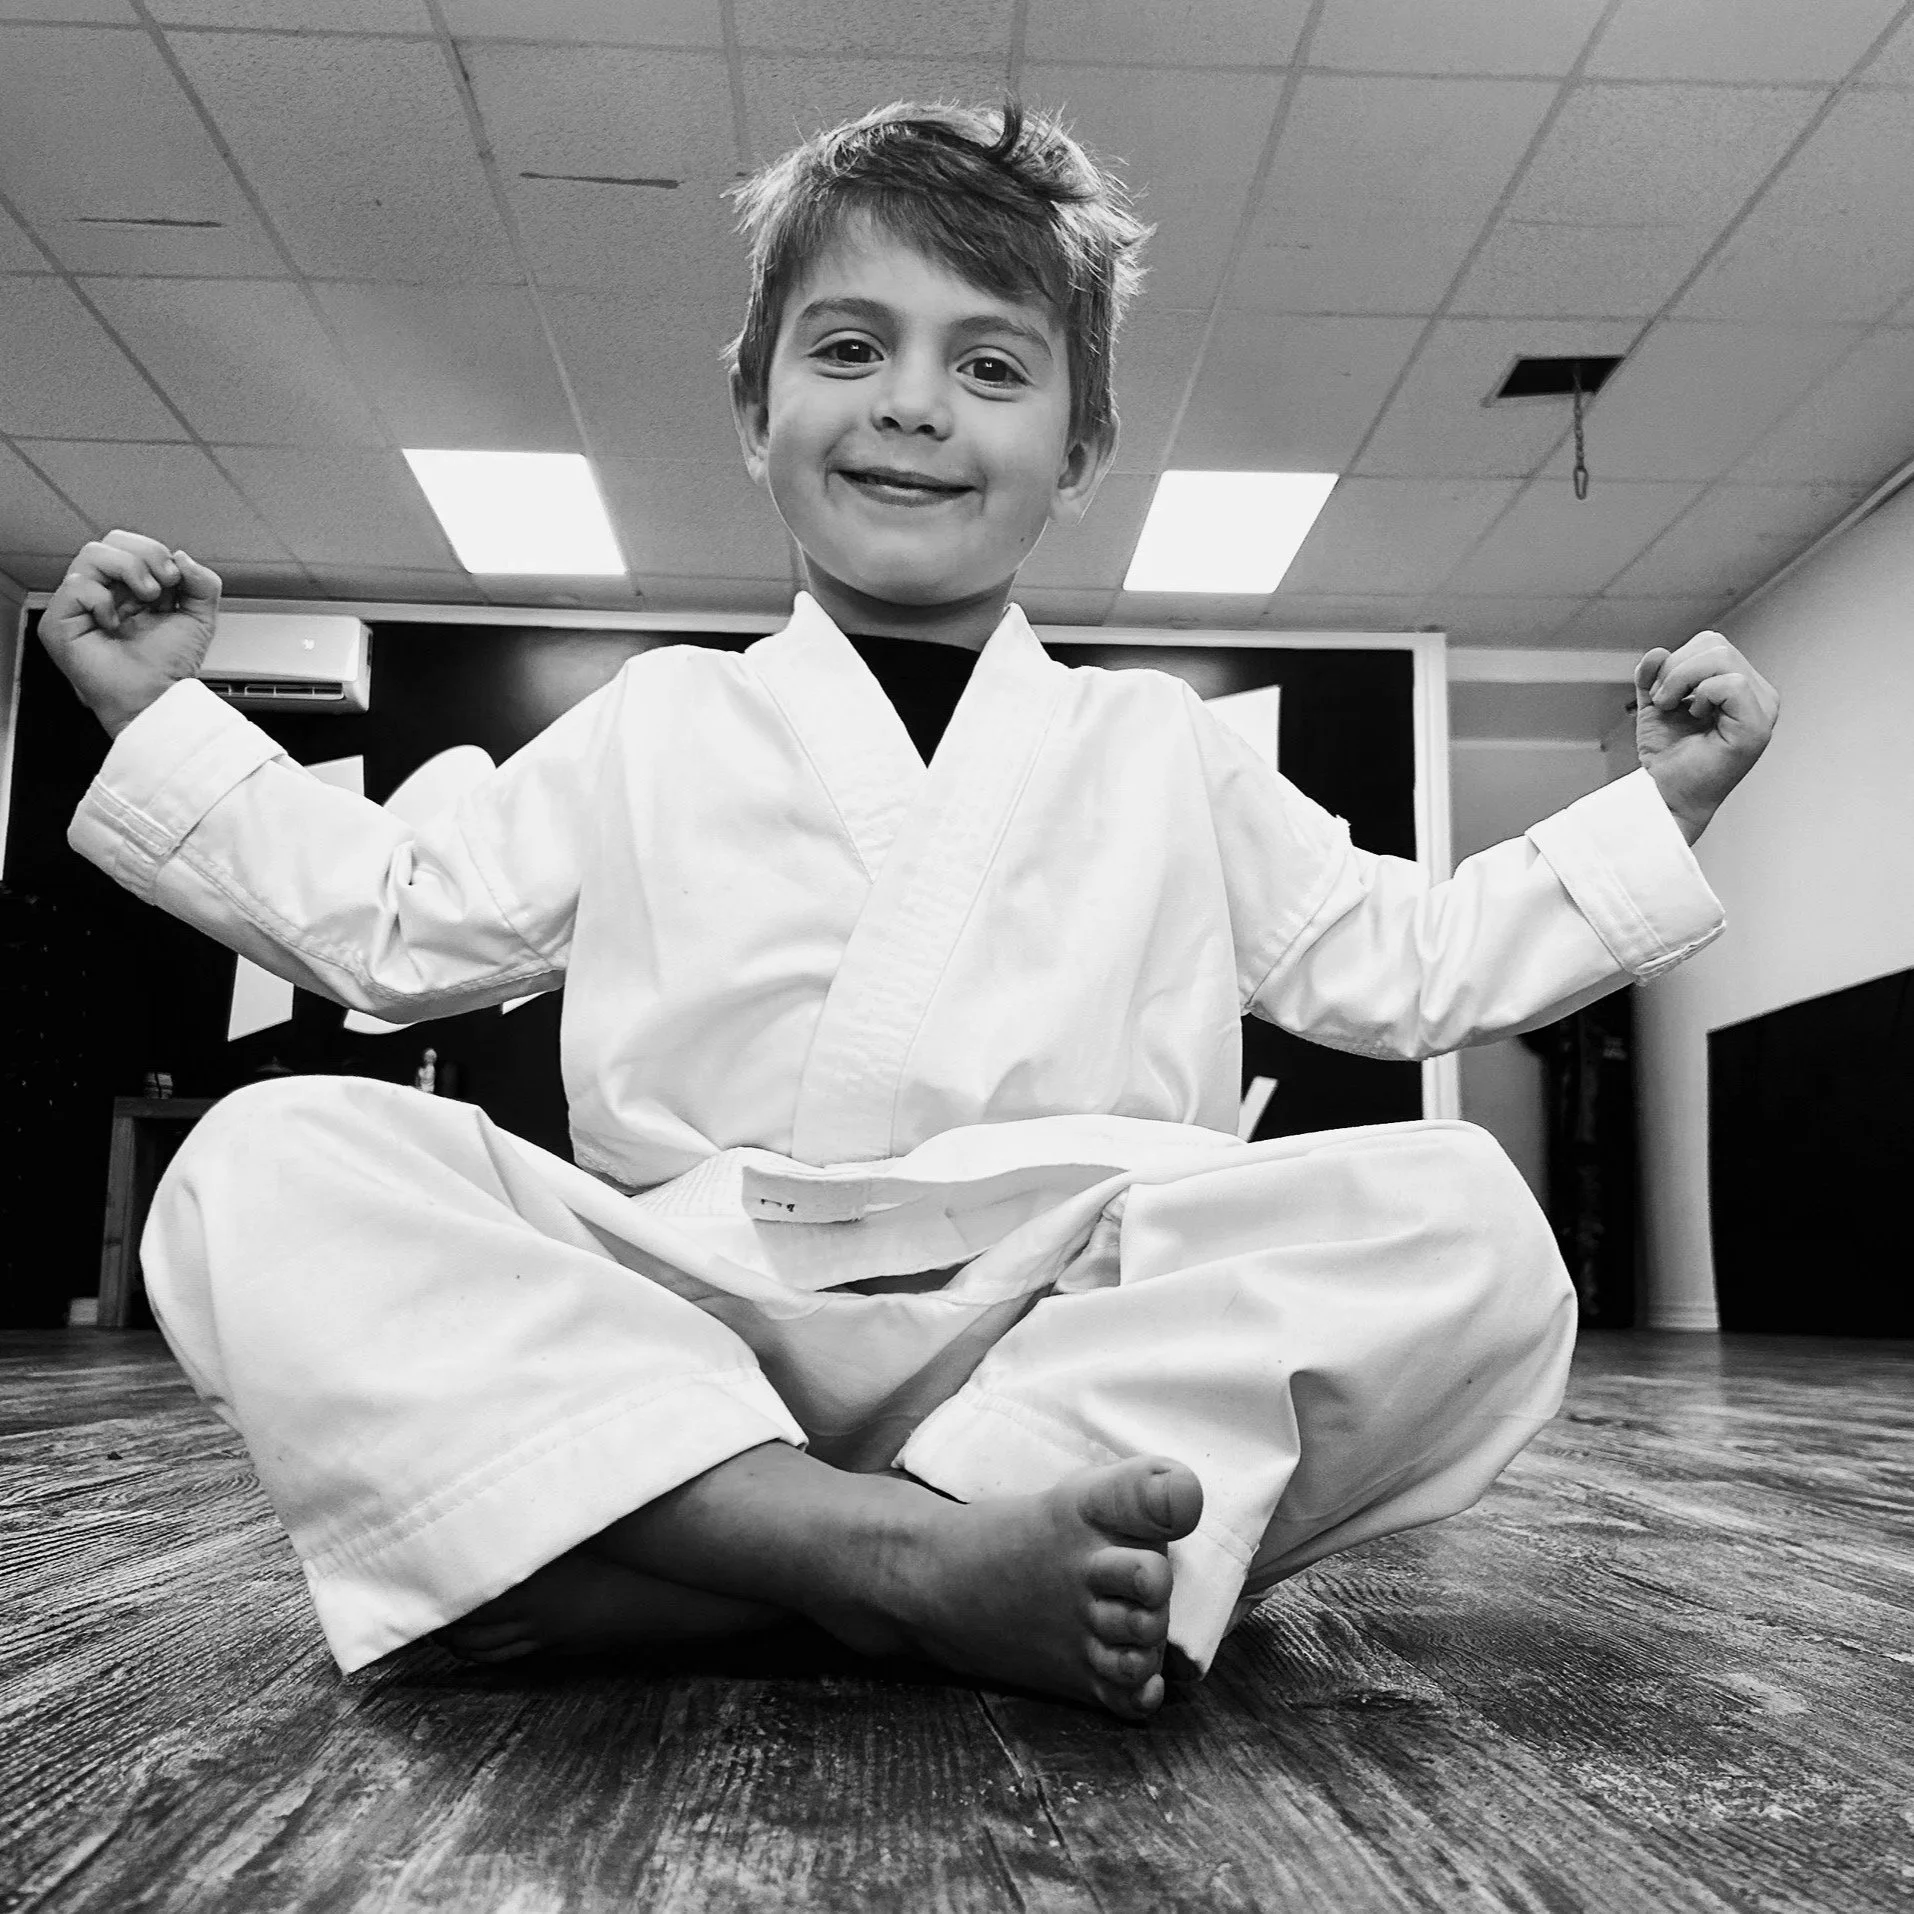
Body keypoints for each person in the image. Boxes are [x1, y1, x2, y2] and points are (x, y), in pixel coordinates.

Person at [38, 102, 1778, 1723]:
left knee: (1465, 1222)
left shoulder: (1157, 741)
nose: (911, 404)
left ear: (1079, 441)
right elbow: (388, 924)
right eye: (849, 347)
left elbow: (1410, 965)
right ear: (750, 403)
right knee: (264, 1164)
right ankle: (898, 1559)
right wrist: (155, 714)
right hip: (692, 1307)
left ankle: (697, 1551)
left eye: (990, 364)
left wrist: (1665, 801)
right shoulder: (658, 715)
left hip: (1068, 1318)